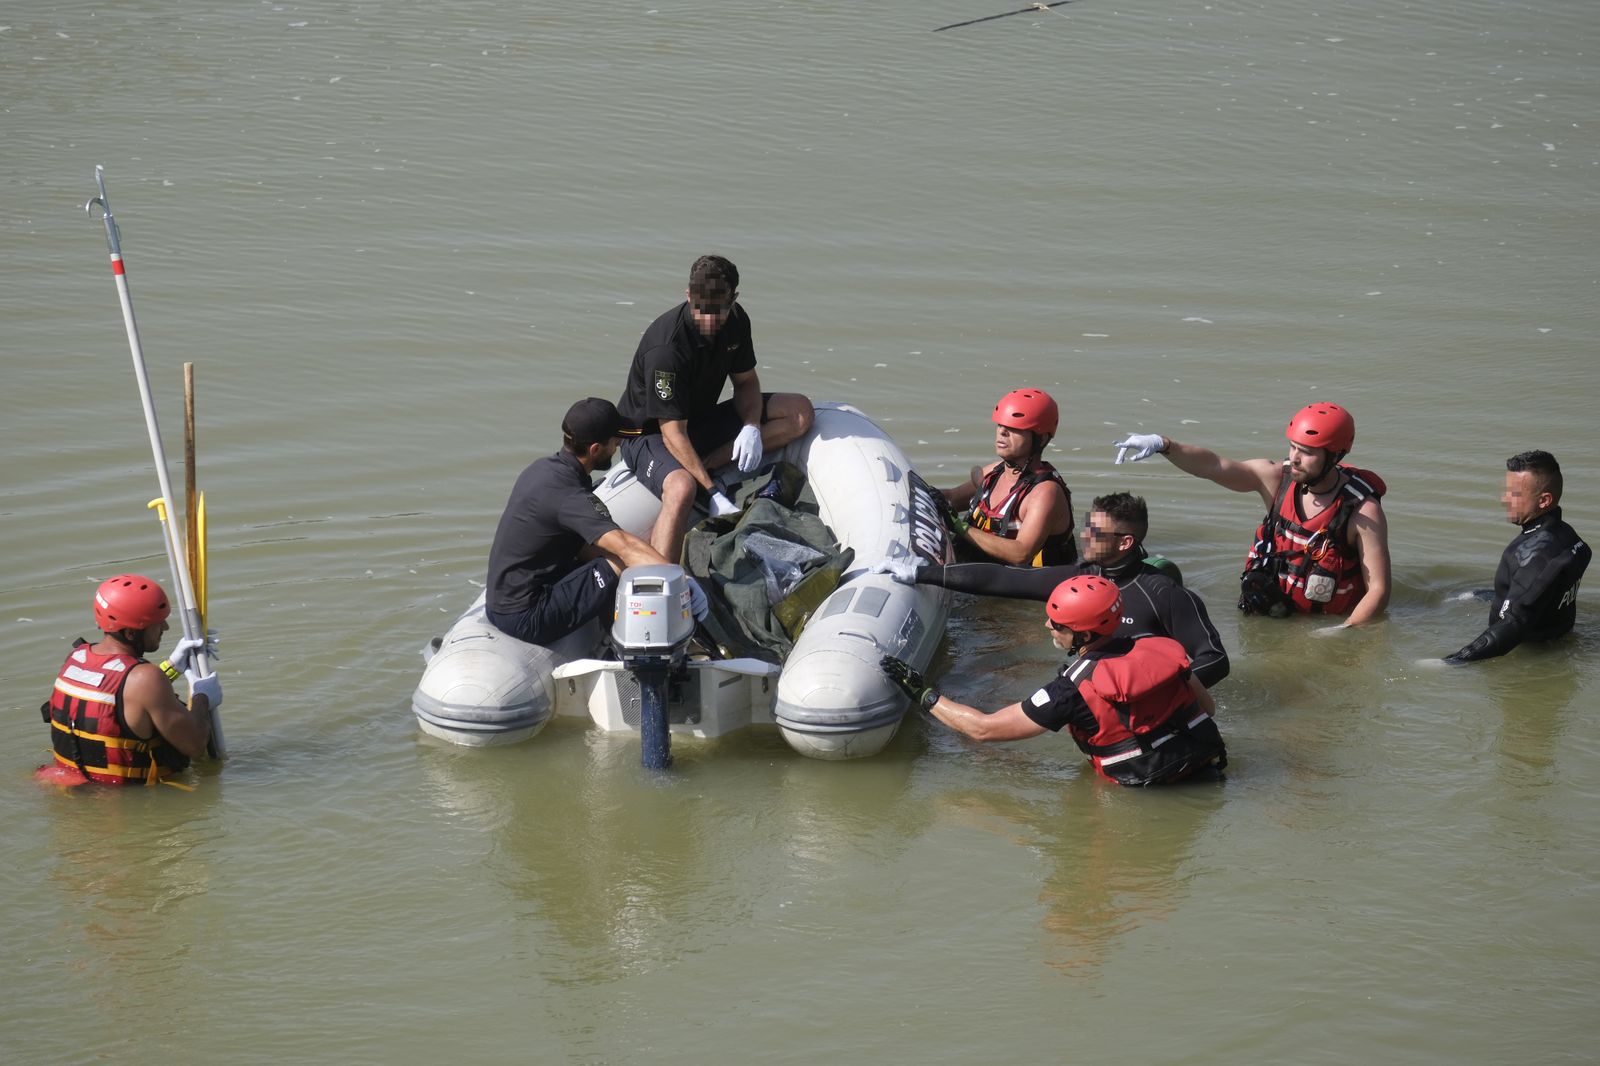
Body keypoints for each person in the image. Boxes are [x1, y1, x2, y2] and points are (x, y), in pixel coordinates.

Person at [880, 575, 1226, 786]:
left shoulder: (1070, 690)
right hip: (1205, 768)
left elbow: (984, 730)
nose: (1047, 626)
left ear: (1084, 634)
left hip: (1140, 788)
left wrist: (923, 694)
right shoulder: (1163, 648)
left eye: (1058, 624)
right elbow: (1207, 709)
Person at [876, 492, 1229, 687]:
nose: (1084, 536)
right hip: (1096, 699)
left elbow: (1214, 659)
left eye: (1096, 533)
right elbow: (1004, 579)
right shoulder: (1081, 579)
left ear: (1125, 542)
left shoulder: (1162, 594)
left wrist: (1161, 693)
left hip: (1150, 705)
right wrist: (922, 573)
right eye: (1087, 526)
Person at [1113, 401, 1390, 627]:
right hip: (1271, 612)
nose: (1294, 458)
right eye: (1293, 447)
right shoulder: (1276, 479)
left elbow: (1378, 590)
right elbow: (1214, 466)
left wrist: (1343, 632)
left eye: (1306, 452)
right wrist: (1165, 445)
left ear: (1335, 456)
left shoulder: (1362, 512)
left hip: (1327, 622)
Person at [615, 255, 815, 561]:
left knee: (799, 412)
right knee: (682, 488)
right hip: (649, 435)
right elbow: (672, 433)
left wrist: (751, 426)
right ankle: (662, 573)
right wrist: (712, 493)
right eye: (702, 309)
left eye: (718, 310)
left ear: (734, 299)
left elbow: (746, 382)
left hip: (698, 421)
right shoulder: (667, 350)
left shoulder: (736, 321)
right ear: (688, 296)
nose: (709, 320)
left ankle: (707, 465)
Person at [485, 397, 708, 646]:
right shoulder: (570, 495)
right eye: (614, 440)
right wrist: (681, 581)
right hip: (527, 615)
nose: (618, 444)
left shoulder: (542, 469)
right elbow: (625, 547)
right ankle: (642, 638)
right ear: (594, 449)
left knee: (624, 556)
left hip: (501, 601)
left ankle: (611, 627)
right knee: (623, 563)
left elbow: (583, 544)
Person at [40, 575, 219, 786]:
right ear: (130, 633)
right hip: (121, 799)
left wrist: (172, 666)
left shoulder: (76, 659)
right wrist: (202, 697)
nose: (165, 627)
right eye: (156, 623)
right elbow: (195, 746)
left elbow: (121, 695)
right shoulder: (146, 679)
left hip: (66, 788)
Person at [1439, 450, 1590, 663]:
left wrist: (1454, 661)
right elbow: (1539, 592)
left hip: (1531, 658)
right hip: (1559, 640)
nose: (1505, 499)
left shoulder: (1531, 555)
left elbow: (1514, 624)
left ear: (1544, 500)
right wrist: (1479, 595)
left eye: (1515, 494)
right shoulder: (1569, 537)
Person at [941, 388, 1075, 566]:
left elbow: (1021, 553)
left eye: (1014, 428)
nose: (1002, 432)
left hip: (1028, 581)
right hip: (980, 570)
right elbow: (950, 498)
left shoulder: (1045, 493)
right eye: (1000, 425)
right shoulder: (992, 473)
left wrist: (960, 527)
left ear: (1041, 439)